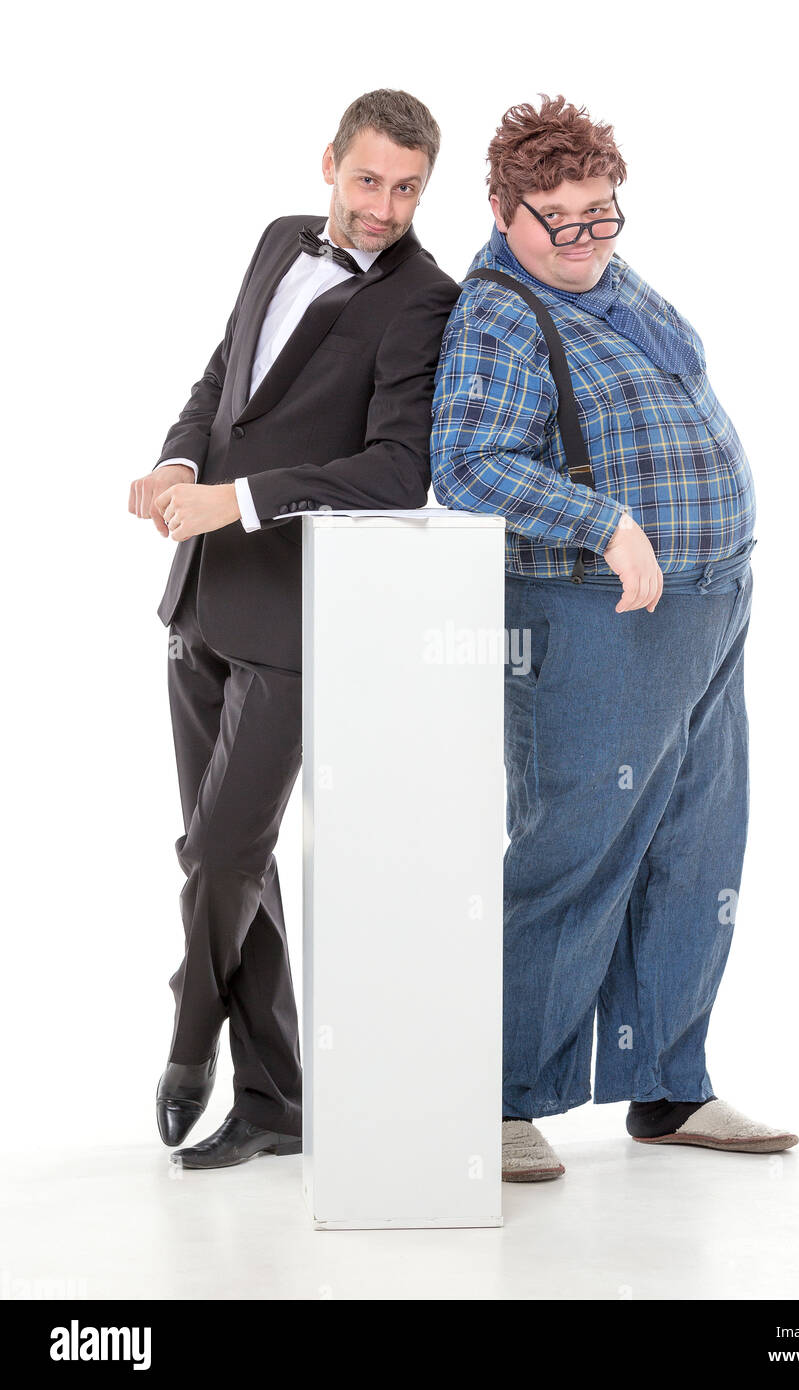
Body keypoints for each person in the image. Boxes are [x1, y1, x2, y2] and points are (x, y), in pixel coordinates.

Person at [430, 95, 798, 1182]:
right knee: (574, 851)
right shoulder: (499, 312)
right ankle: (498, 1096)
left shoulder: (597, 271)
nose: (584, 240)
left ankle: (668, 1085)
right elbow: (466, 463)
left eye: (603, 215)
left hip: (709, 599)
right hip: (596, 616)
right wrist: (607, 521)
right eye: (558, 219)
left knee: (695, 846)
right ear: (501, 212)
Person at [128, 89, 459, 1171]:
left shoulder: (425, 299)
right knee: (231, 860)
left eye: (407, 188)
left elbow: (394, 467)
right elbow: (226, 379)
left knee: (221, 850)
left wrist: (245, 497)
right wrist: (181, 463)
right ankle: (276, 1100)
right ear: (329, 163)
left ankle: (191, 1032)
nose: (383, 207)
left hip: (294, 612)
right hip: (200, 588)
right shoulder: (277, 239)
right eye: (367, 181)